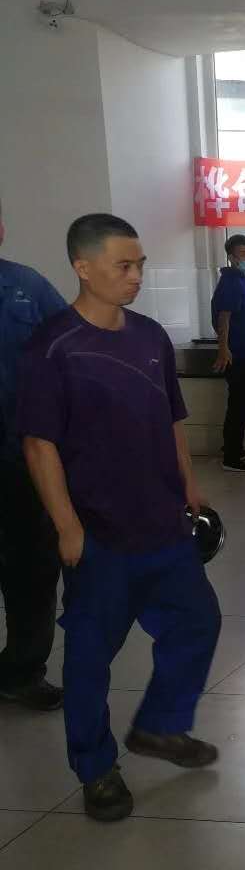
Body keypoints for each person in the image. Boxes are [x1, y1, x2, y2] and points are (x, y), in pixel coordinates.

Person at [17, 213, 222, 823]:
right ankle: (96, 768)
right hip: (98, 533)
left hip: (162, 522)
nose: (135, 276)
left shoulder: (150, 337)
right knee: (89, 656)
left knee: (198, 622)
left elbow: (172, 420)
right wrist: (67, 526)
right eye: (123, 266)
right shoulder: (53, 345)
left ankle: (160, 725)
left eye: (140, 266)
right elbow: (39, 444)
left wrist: (189, 488)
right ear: (83, 267)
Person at [0, 194, 67, 712]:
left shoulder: (26, 286)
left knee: (33, 570)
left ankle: (22, 671)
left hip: (21, 458)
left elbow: (71, 347)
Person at [211, 233, 245, 473]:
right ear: (231, 257)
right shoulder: (230, 282)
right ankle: (231, 456)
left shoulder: (243, 280)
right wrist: (224, 349)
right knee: (241, 406)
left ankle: (234, 447)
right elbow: (224, 317)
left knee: (243, 404)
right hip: (237, 354)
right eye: (244, 253)